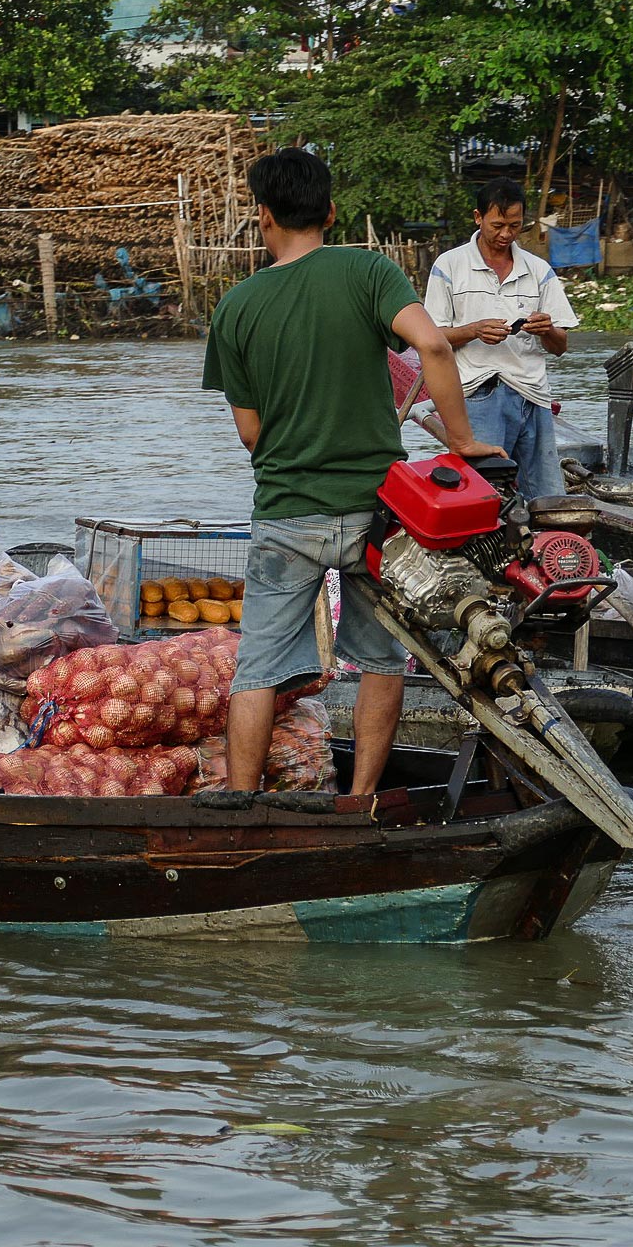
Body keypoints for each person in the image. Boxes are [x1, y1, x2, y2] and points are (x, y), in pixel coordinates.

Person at [203, 148, 503, 797]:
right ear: (331, 211)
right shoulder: (369, 272)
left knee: (255, 670)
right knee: (379, 658)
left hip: (286, 512)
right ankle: (360, 802)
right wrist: (462, 442)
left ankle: (242, 808)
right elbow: (429, 344)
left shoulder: (236, 308)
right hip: (379, 514)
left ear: (263, 217)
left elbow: (250, 433)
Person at [423, 178, 579, 499]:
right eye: (497, 225)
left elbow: (560, 346)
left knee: (546, 496)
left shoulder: (538, 270)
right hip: (478, 394)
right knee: (485, 496)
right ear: (478, 217)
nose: (506, 234)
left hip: (533, 397)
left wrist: (546, 329)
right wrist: (473, 330)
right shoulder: (449, 266)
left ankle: (543, 548)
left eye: (515, 225)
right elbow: (431, 338)